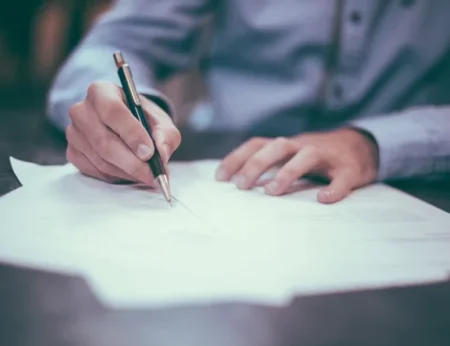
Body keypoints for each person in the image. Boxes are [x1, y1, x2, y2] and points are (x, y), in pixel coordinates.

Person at [47, 1, 450, 204]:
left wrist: (374, 143)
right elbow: (111, 47)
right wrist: (127, 111)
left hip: (413, 184)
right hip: (229, 170)